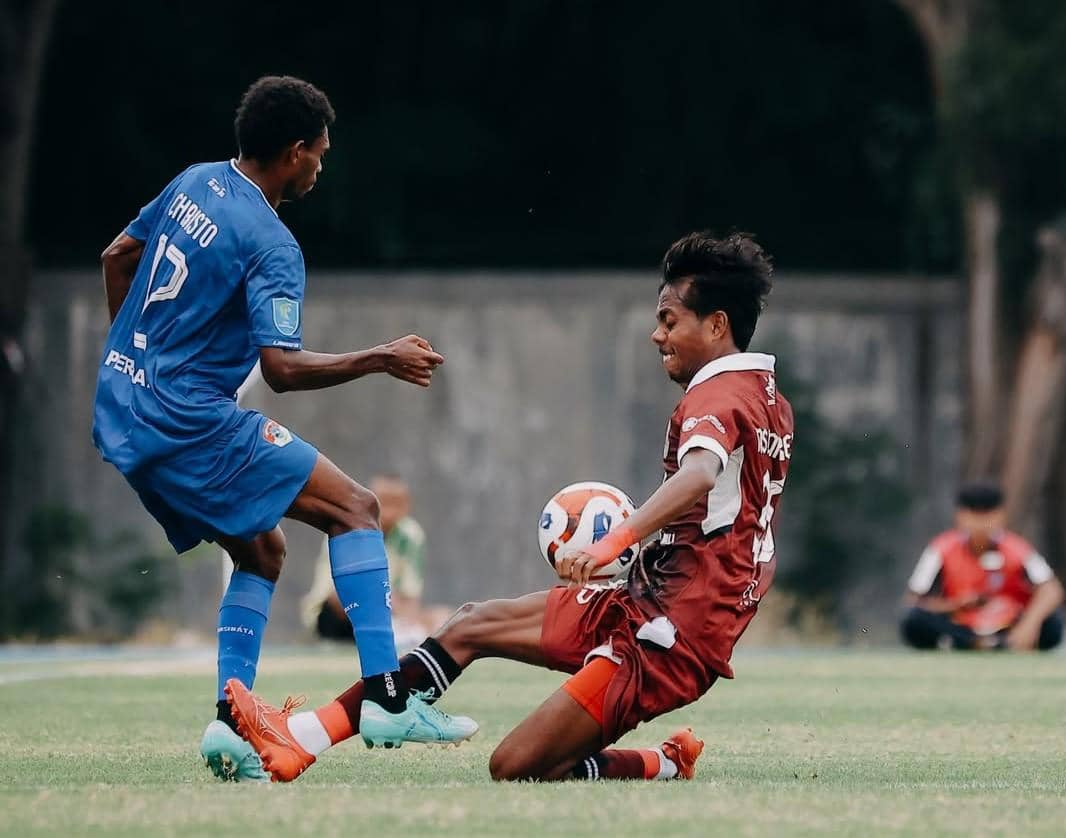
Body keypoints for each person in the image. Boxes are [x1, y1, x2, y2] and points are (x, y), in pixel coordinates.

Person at [225, 230, 794, 783]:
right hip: (646, 601)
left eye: (669, 320)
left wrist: (616, 539)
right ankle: (301, 737)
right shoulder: (768, 399)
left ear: (717, 324)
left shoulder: (716, 395)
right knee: (471, 624)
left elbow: (699, 474)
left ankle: (663, 762)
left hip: (670, 638)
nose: (656, 334)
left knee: (516, 764)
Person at [92, 75, 475, 783]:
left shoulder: (193, 182)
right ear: (294, 152)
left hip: (120, 406)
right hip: (188, 419)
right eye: (320, 154)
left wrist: (139, 354)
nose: (323, 168)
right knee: (357, 510)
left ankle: (230, 723)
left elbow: (117, 257)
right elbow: (282, 369)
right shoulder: (271, 241)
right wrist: (379, 357)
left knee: (264, 552)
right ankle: (390, 698)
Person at [901, 482, 1066, 651]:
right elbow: (914, 600)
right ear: (960, 516)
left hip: (1007, 623)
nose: (980, 523)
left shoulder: (1018, 549)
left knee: (1054, 622)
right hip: (962, 623)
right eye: (974, 515)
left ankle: (999, 642)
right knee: (914, 620)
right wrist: (956, 605)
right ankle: (977, 643)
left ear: (1001, 515)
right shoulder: (940, 549)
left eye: (987, 515)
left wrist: (1029, 624)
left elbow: (1052, 589)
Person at [302, 474, 451, 645]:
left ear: (406, 506)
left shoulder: (411, 536)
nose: (388, 512)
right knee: (346, 598)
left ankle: (400, 633)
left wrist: (411, 616)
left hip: (389, 608)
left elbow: (411, 596)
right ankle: (393, 634)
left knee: (443, 616)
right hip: (340, 612)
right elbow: (341, 592)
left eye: (396, 504)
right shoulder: (346, 529)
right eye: (383, 502)